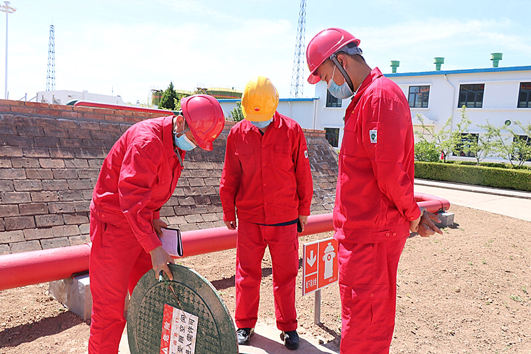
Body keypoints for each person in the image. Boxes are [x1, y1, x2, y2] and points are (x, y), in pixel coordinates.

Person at [305, 28, 443, 353]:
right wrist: (413, 214)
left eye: (327, 77)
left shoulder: (379, 97)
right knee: (360, 324)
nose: (330, 86)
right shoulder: (367, 98)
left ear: (341, 61)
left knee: (366, 334)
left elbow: (390, 174)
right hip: (362, 237)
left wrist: (414, 214)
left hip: (371, 239)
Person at [88, 94, 225, 354]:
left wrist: (152, 219)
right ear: (181, 121)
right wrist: (153, 246)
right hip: (114, 225)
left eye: (198, 142)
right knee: (110, 313)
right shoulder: (146, 142)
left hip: (139, 222)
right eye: (194, 138)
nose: (193, 145)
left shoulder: (175, 145)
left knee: (151, 300)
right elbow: (130, 197)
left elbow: (149, 190)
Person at [219, 76, 313, 350]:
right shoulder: (237, 133)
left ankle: (288, 328)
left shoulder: (292, 131)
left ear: (274, 106)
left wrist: (304, 210)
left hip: (284, 218)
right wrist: (228, 210)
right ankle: (245, 325)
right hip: (249, 218)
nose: (258, 122)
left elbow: (303, 174)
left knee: (285, 276)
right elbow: (230, 175)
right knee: (246, 274)